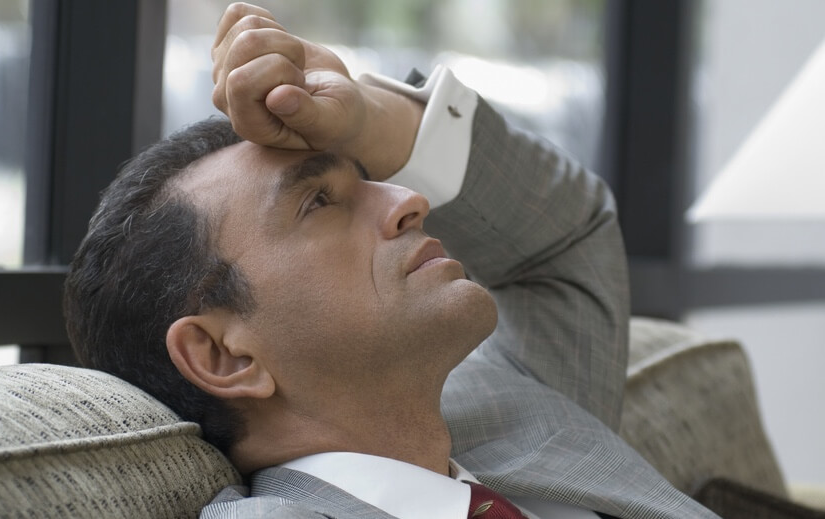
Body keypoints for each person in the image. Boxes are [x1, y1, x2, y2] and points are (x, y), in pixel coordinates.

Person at [64, 3, 718, 518]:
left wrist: (368, 122)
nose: (411, 199)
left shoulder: (518, 407)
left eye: (370, 177)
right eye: (319, 202)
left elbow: (560, 236)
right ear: (223, 355)